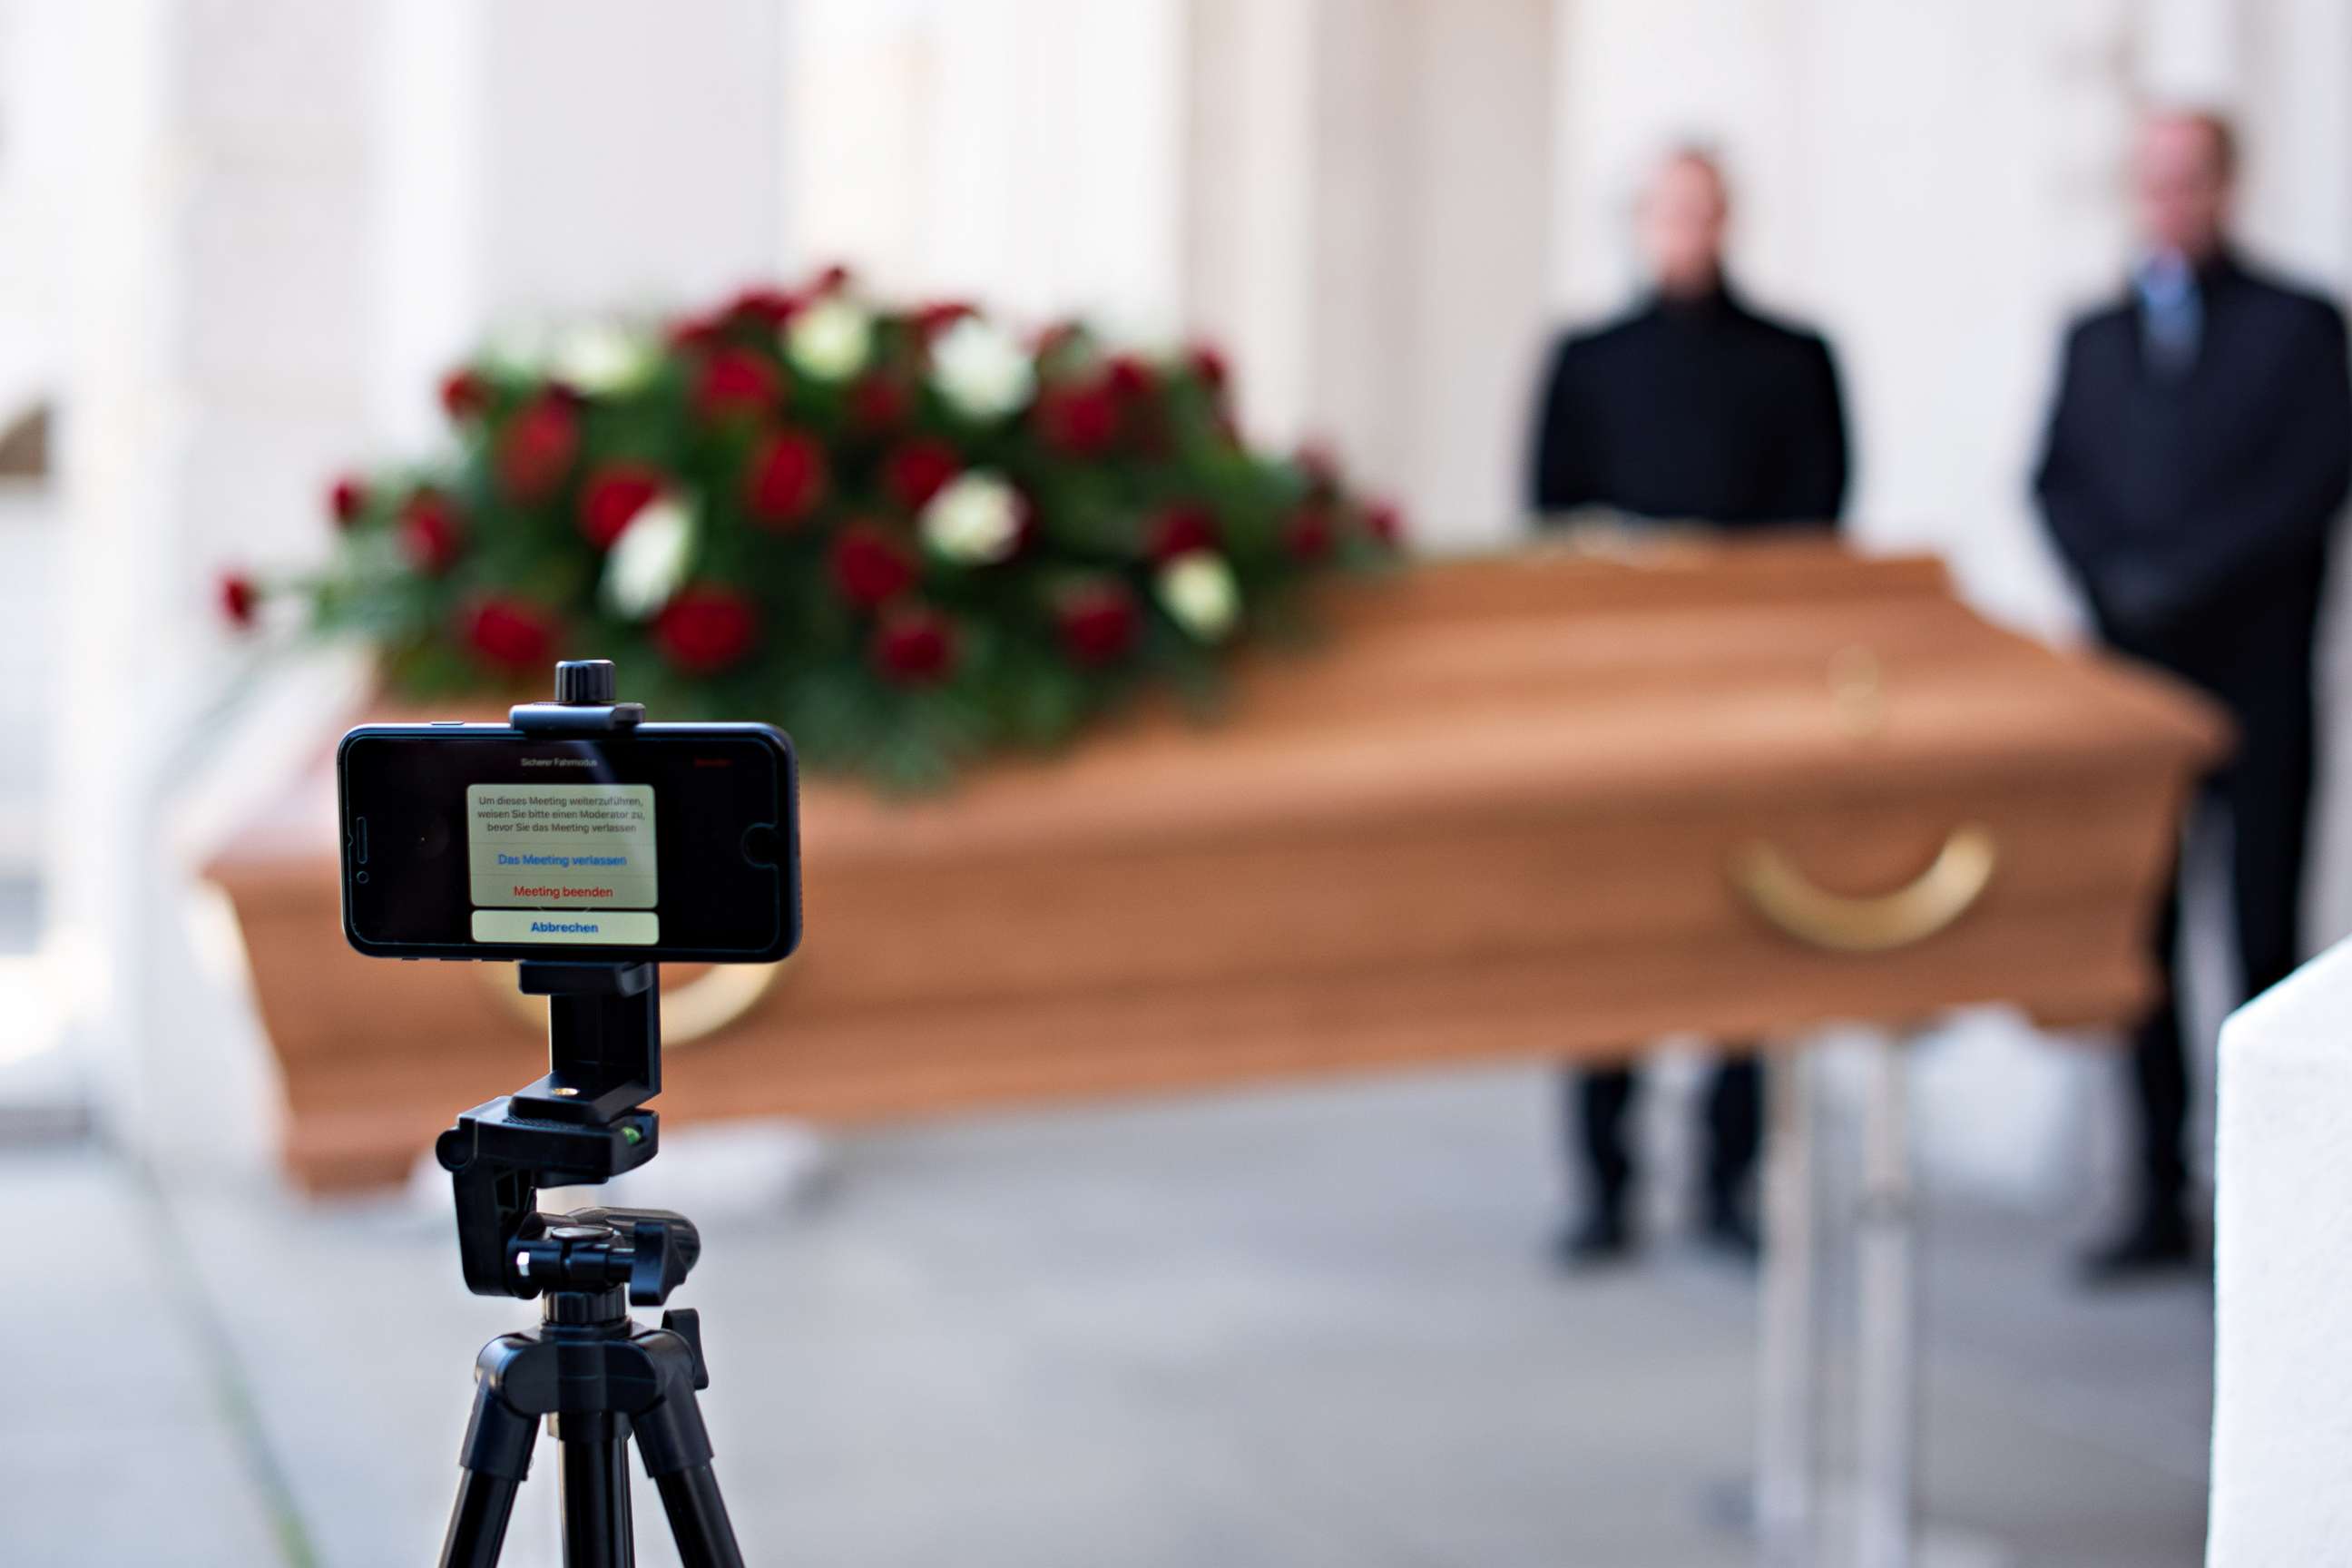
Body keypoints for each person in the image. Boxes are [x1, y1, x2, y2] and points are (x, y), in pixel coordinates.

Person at [2034, 109, 2352, 1282]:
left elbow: (2313, 478)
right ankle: (2155, 1190)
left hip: (2257, 678)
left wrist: (2189, 578)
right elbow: (2058, 478)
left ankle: (2273, 1203)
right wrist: (2117, 583)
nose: (2173, 202)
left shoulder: (2298, 325)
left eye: (2192, 180)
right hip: (2134, 682)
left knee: (2263, 935)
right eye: (2154, 182)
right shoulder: (2097, 337)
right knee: (2143, 939)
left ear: (2227, 184)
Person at [1527, 147, 1850, 1267]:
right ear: (1640, 223)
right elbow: (1549, 520)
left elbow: (1820, 516)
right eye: (1667, 211)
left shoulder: (1792, 358)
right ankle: (1605, 1182)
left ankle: (1729, 1178)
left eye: (1701, 210)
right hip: (1615, 692)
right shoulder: (1586, 360)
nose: (1685, 230)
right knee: (1602, 930)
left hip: (1746, 685)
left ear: (1727, 219)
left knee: (1747, 920)